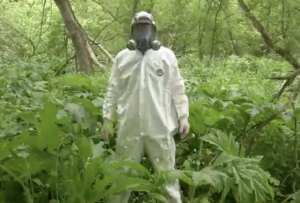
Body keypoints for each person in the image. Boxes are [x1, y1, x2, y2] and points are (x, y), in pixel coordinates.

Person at [101, 11, 190, 203]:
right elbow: (113, 90)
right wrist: (107, 119)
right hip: (129, 128)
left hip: (160, 127)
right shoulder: (122, 58)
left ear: (154, 31)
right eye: (139, 28)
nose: (143, 33)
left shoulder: (166, 56)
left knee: (167, 178)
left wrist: (183, 116)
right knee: (121, 178)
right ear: (132, 32)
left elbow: (177, 88)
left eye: (146, 28)